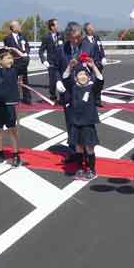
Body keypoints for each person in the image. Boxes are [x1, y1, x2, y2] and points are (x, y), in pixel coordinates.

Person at [63, 59, 104, 181]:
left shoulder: (92, 88)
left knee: (89, 147)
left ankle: (92, 169)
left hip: (88, 123)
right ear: (75, 78)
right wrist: (69, 66)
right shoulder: (73, 88)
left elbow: (100, 79)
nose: (82, 76)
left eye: (85, 74)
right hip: (75, 123)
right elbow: (65, 77)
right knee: (78, 147)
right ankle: (80, 168)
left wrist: (94, 67)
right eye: (80, 74)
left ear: (88, 77)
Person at [55, 22, 85, 165]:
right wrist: (58, 80)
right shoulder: (61, 49)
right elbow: (55, 67)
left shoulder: (87, 47)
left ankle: (86, 150)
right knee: (70, 121)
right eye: (72, 38)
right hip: (67, 91)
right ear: (67, 36)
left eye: (78, 37)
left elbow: (96, 64)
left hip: (84, 92)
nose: (75, 40)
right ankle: (73, 151)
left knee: (84, 122)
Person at [0, 49, 23, 167]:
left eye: (11, 58)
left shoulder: (14, 70)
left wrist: (14, 50)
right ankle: (0, 153)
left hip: (9, 104)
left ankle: (15, 154)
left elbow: (24, 60)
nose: (11, 60)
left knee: (12, 130)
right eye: (8, 58)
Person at [3, 20, 32, 105]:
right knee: (13, 80)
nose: (20, 27)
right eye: (18, 25)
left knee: (25, 79)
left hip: (23, 62)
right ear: (13, 27)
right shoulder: (7, 38)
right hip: (14, 62)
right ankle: (14, 98)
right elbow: (6, 51)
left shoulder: (23, 37)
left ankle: (27, 98)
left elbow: (27, 47)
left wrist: (26, 53)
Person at [81, 22, 106, 107]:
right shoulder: (83, 41)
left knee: (99, 82)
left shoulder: (96, 38)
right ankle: (89, 99)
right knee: (90, 82)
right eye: (91, 27)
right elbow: (83, 54)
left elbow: (101, 48)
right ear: (87, 30)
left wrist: (103, 57)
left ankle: (98, 100)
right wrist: (84, 63)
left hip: (98, 65)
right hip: (89, 65)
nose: (93, 28)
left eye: (92, 27)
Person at [39, 18, 62, 103]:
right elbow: (41, 51)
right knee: (52, 81)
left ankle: (62, 98)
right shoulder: (46, 37)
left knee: (62, 80)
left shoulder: (61, 35)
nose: (58, 26)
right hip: (51, 63)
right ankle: (53, 96)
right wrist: (44, 60)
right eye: (56, 24)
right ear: (52, 27)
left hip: (61, 62)